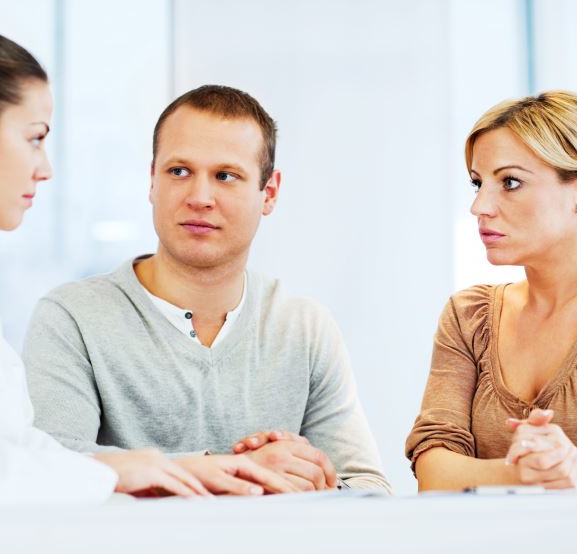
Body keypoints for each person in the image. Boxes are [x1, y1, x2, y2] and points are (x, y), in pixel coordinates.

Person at [0, 29, 289, 554]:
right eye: (34, 137)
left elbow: (14, 453)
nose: (44, 167)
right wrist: (116, 471)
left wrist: (173, 468)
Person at [23, 84, 391, 493]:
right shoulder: (73, 317)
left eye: (225, 176)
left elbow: (369, 489)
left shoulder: (303, 328)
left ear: (268, 193)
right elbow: (48, 468)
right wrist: (235, 469)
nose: (199, 197)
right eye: (179, 171)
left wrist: (313, 478)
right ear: (151, 181)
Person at [406, 91, 577, 491]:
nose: (479, 206)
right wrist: (523, 472)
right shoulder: (467, 316)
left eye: (510, 182)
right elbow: (433, 471)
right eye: (478, 183)